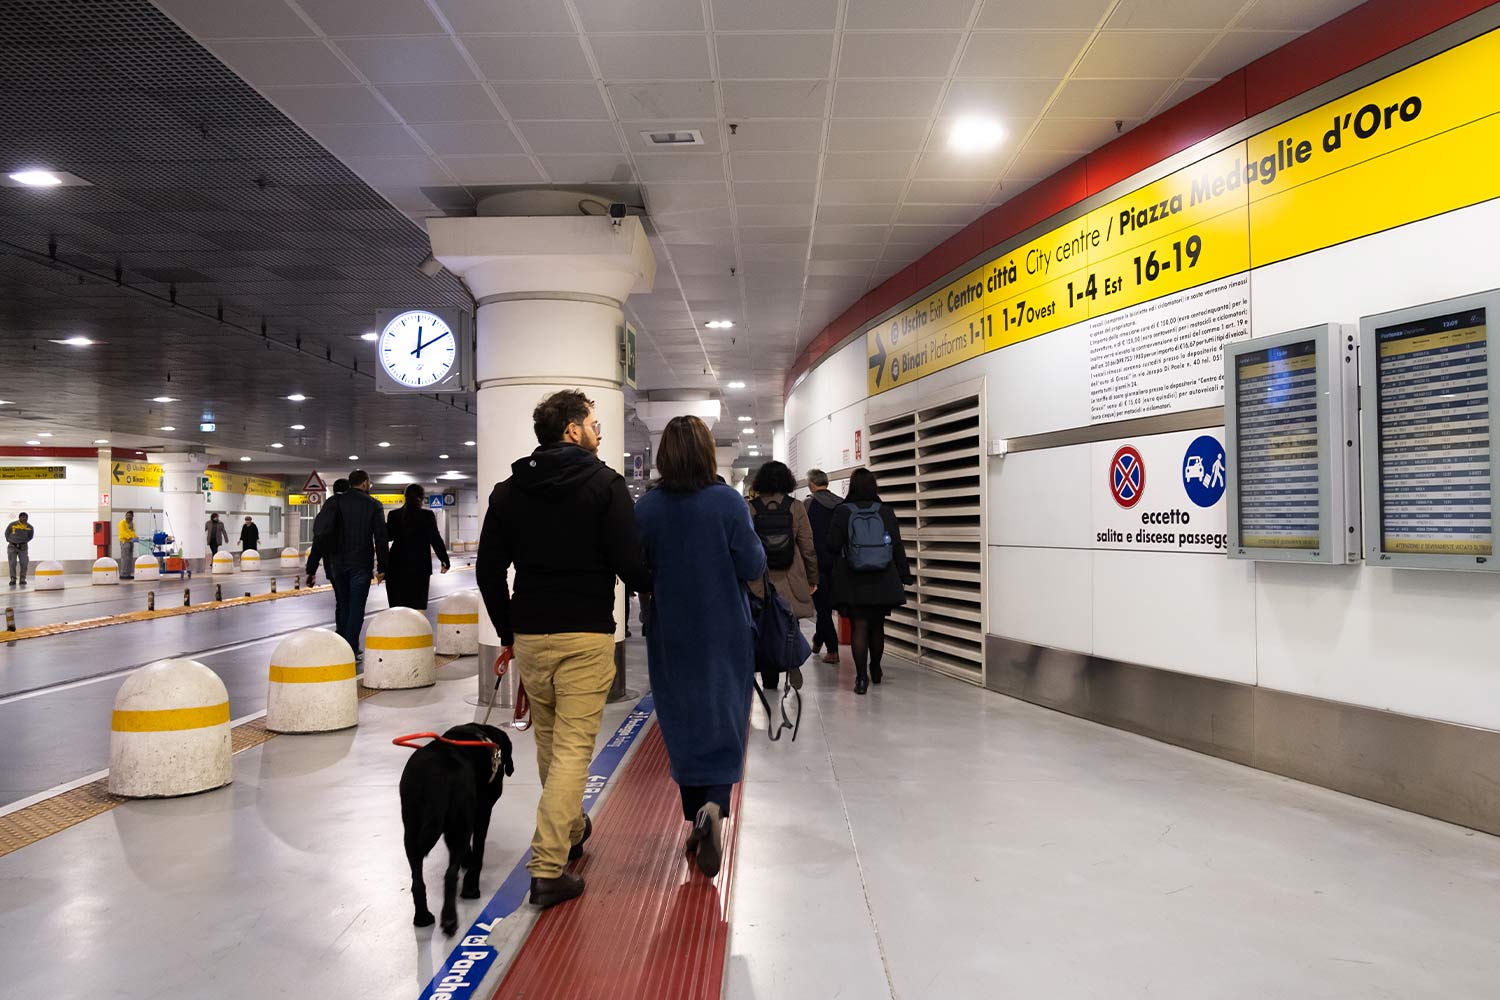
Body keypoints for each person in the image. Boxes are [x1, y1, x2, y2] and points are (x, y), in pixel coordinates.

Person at [476, 389, 651, 909]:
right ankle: (548, 868)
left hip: (532, 634)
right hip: (586, 633)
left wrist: (509, 630)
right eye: (594, 423)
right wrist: (657, 590)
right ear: (572, 429)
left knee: (552, 743)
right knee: (574, 747)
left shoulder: (509, 491)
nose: (601, 432)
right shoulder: (605, 485)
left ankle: (572, 828)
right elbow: (630, 563)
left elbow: (489, 570)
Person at [635, 416, 766, 879]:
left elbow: (638, 571)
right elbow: (753, 562)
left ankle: (695, 818)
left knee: (682, 722)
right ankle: (714, 805)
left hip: (670, 632)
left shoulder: (647, 509)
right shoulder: (727, 502)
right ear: (709, 453)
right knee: (723, 717)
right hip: (725, 630)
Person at [826, 468, 913, 695]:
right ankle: (875, 669)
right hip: (883, 576)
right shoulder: (885, 511)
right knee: (877, 626)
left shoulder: (842, 511)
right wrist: (905, 574)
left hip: (853, 577)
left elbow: (833, 545)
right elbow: (896, 545)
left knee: (859, 626)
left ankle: (861, 678)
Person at [746, 460, 817, 691]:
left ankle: (769, 679)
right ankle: (791, 660)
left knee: (765, 625)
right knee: (790, 622)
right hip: (791, 574)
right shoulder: (796, 507)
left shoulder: (751, 507)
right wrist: (813, 577)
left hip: (761, 576)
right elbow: (807, 546)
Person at [324, 469, 388, 657]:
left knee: (343, 603)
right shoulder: (373, 505)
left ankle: (342, 645)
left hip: (337, 562)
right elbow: (381, 539)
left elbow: (323, 531)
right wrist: (382, 567)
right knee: (356, 606)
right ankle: (351, 647)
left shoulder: (335, 502)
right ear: (365, 483)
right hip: (360, 563)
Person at [385, 484, 450, 610]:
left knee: (397, 607)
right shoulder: (427, 515)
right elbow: (435, 539)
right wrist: (444, 560)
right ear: (421, 498)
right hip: (420, 567)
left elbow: (388, 537)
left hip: (396, 566)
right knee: (418, 606)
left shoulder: (393, 515)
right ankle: (417, 630)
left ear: (405, 497)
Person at [804, 469, 844, 664]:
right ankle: (818, 639)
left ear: (811, 484)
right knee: (825, 607)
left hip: (817, 565)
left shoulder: (808, 504)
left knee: (823, 609)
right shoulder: (841, 504)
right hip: (839, 565)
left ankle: (833, 649)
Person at [304, 478, 349, 584]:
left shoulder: (325, 509)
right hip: (349, 563)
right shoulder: (350, 506)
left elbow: (317, 543)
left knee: (340, 597)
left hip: (330, 565)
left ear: (333, 490)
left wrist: (311, 572)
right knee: (351, 598)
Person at [6, 512, 34, 587]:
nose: (24, 519)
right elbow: (7, 533)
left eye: (26, 517)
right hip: (12, 546)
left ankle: (22, 579)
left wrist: (24, 541)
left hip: (23, 547)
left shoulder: (30, 527)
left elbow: (30, 536)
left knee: (24, 563)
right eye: (23, 517)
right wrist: (10, 540)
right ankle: (13, 578)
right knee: (12, 563)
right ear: (19, 518)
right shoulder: (12, 524)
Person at [118, 511, 138, 580]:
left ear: (132, 517)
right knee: (125, 558)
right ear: (126, 516)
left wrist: (136, 537)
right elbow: (123, 533)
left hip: (131, 542)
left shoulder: (132, 524)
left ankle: (128, 574)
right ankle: (123, 574)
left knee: (130, 559)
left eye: (130, 516)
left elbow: (133, 532)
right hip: (124, 542)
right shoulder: (122, 523)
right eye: (128, 516)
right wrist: (130, 538)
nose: (129, 518)